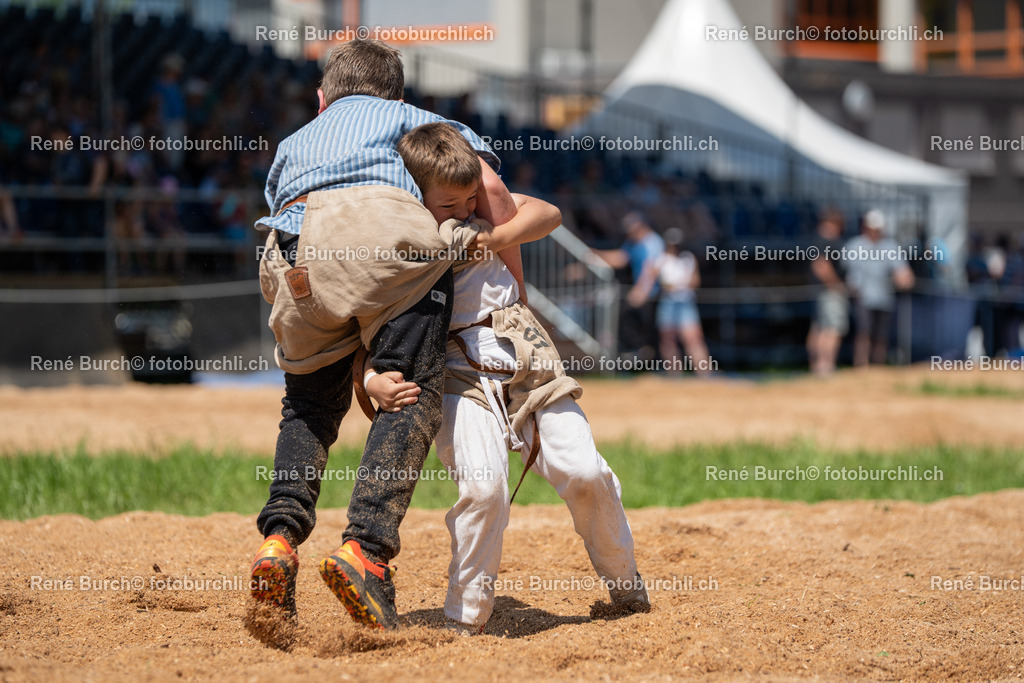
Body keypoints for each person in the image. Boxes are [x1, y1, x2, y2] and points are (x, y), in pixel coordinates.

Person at [248, 39, 525, 634]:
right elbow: (490, 190)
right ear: (396, 95)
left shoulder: (295, 141)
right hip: (386, 243)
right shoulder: (421, 120)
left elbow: (299, 228)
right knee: (411, 392)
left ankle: (278, 540)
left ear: (323, 99)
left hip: (292, 259)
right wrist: (516, 285)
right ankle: (366, 551)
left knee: (306, 409)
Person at [364, 122, 650, 635]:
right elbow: (367, 320)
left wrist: (491, 236)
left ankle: (626, 585)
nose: (463, 211)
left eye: (470, 198)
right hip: (453, 370)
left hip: (524, 354)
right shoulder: (396, 235)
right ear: (415, 197)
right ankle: (465, 616)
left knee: (583, 471)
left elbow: (549, 213)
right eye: (448, 205)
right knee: (484, 489)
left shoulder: (477, 214)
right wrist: (369, 379)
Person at [628, 227, 711, 375]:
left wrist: (679, 283)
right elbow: (648, 279)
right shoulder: (661, 259)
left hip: (685, 301)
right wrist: (640, 293)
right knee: (668, 338)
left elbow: (695, 281)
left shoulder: (687, 258)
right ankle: (674, 373)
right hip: (669, 303)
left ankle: (704, 373)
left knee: (692, 337)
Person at [843, 209, 915, 367]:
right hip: (863, 296)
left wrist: (905, 278)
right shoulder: (854, 245)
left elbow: (902, 270)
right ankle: (861, 365)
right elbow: (849, 272)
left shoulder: (890, 246)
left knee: (881, 335)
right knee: (863, 332)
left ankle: (878, 366)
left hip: (884, 297)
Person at [596, 212, 665, 358]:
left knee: (649, 328)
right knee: (628, 319)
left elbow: (651, 269)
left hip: (651, 294)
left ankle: (651, 360)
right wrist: (595, 255)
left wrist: (642, 290)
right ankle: (638, 354)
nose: (629, 233)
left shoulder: (653, 242)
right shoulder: (634, 242)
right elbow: (621, 258)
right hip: (642, 292)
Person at [805, 210, 849, 375]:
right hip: (829, 292)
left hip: (819, 292)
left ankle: (816, 366)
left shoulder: (816, 240)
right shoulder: (826, 242)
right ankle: (825, 366)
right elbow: (821, 267)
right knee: (831, 329)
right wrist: (836, 285)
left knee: (819, 328)